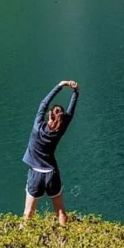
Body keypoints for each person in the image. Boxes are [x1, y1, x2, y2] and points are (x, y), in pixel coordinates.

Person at [22, 79, 79, 223]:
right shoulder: (59, 131)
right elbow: (70, 114)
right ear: (61, 119)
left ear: (49, 115)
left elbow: (43, 103)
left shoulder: (37, 127)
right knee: (60, 211)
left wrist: (60, 85)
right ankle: (65, 241)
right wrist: (75, 93)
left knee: (28, 213)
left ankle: (21, 242)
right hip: (51, 174)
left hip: (35, 174)